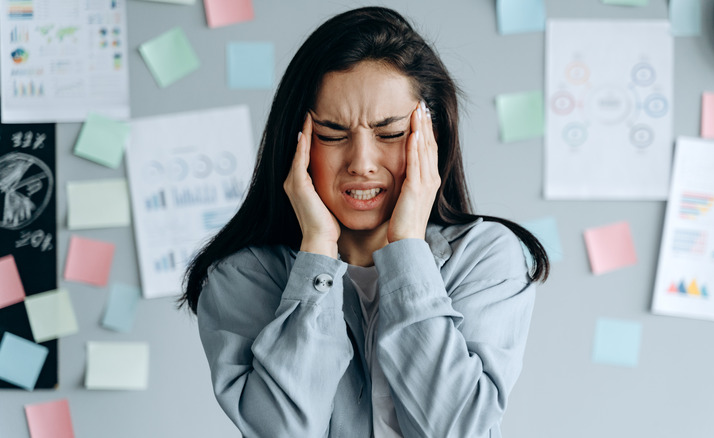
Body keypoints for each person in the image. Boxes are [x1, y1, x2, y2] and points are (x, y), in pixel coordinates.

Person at [181, 6, 549, 438]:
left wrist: (407, 249)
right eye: (333, 135)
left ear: (432, 139)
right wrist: (317, 251)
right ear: (295, 143)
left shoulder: (487, 255)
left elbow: (458, 431)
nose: (362, 163)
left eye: (390, 133)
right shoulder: (241, 276)